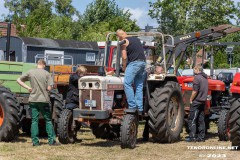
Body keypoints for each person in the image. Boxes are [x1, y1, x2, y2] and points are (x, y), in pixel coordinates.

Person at [17, 59, 56, 146]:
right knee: (48, 120)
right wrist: (49, 87)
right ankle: (51, 140)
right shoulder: (47, 73)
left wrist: (28, 88)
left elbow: (18, 80)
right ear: (44, 65)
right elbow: (49, 88)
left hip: (33, 99)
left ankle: (35, 141)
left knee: (34, 120)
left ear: (37, 64)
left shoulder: (31, 72)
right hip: (44, 100)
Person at [116, 29, 146, 114]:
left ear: (119, 36)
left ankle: (132, 107)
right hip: (142, 63)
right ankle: (139, 109)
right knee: (139, 85)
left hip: (134, 63)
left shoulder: (124, 42)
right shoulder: (136, 39)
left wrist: (124, 67)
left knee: (127, 83)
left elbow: (124, 57)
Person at [186, 65, 208, 142]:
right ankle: (201, 137)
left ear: (198, 69)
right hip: (203, 101)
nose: (193, 70)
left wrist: (191, 99)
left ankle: (192, 137)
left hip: (196, 101)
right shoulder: (205, 78)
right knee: (201, 120)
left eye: (194, 69)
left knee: (192, 119)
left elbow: (195, 91)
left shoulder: (197, 78)